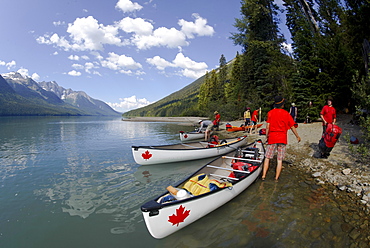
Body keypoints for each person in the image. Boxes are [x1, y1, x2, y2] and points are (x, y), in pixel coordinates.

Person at [262, 96, 301, 181]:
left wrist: (266, 137)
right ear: (282, 105)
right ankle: (276, 178)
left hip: (272, 138)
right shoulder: (286, 113)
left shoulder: (270, 113)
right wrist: (297, 136)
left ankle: (263, 176)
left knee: (267, 157)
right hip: (282, 139)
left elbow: (268, 127)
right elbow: (292, 126)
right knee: (279, 160)